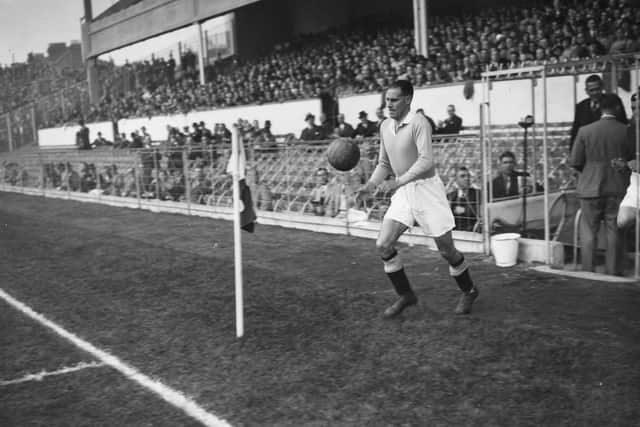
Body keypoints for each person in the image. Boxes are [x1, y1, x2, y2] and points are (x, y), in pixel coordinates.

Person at [356, 80, 479, 318]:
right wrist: (369, 186)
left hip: (427, 191)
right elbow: (384, 163)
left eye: (394, 100)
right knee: (383, 244)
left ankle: (470, 290)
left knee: (446, 250)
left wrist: (397, 181)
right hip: (404, 192)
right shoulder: (384, 126)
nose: (388, 104)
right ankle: (406, 295)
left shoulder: (419, 123)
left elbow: (426, 161)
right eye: (387, 100)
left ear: (408, 100)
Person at [569, 93, 631, 276]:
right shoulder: (626, 130)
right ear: (617, 108)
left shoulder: (584, 131)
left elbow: (575, 161)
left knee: (589, 231)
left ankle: (589, 272)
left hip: (589, 187)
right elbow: (630, 159)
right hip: (617, 186)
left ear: (599, 109)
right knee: (614, 232)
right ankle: (613, 273)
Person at [569, 74, 627, 153]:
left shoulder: (613, 101)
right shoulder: (581, 106)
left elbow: (623, 123)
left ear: (602, 87)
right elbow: (575, 131)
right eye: (591, 90)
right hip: (589, 152)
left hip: (609, 149)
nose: (595, 93)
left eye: (597, 89)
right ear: (586, 91)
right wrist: (572, 152)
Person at [617, 90, 640, 229]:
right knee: (622, 220)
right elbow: (628, 157)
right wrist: (623, 164)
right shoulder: (631, 130)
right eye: (633, 108)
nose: (636, 112)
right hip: (636, 182)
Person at [447, 167, 481, 232]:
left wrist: (464, 210)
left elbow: (481, 214)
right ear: (456, 180)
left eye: (468, 176)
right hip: (456, 233)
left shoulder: (478, 194)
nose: (467, 178)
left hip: (474, 232)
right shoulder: (450, 196)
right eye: (462, 176)